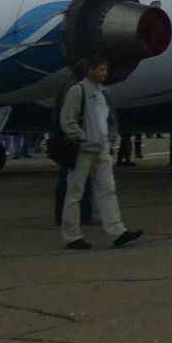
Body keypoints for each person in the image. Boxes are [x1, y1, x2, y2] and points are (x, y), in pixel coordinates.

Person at [58, 57, 143, 250]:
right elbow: (67, 120)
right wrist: (82, 137)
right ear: (90, 70)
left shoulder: (104, 93)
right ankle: (71, 235)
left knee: (107, 190)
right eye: (101, 70)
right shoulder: (77, 91)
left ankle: (117, 231)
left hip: (102, 149)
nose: (104, 74)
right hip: (84, 150)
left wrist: (111, 138)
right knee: (75, 193)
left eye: (105, 70)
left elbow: (109, 119)